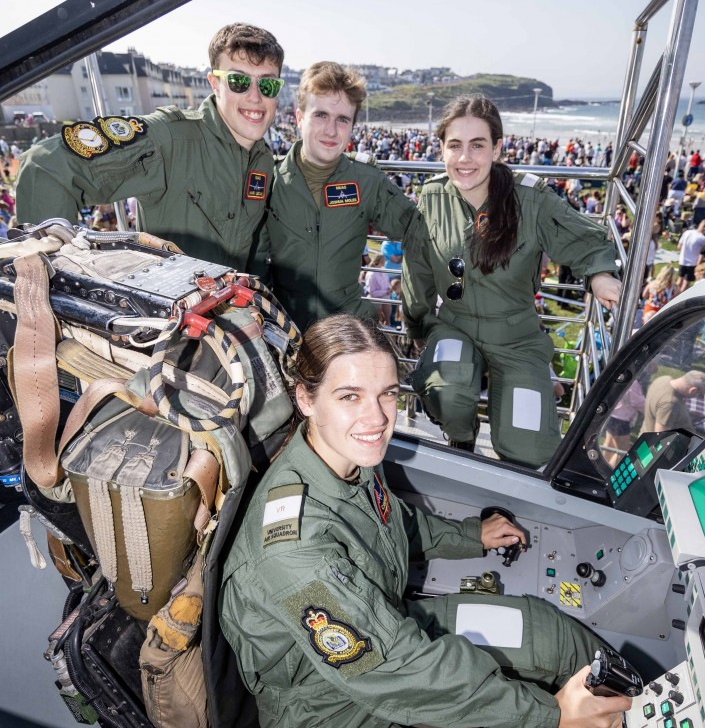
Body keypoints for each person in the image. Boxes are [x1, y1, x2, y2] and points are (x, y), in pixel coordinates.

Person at [220, 316, 646, 728]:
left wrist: (471, 537)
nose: (378, 416)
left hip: (378, 644)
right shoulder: (296, 547)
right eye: (351, 396)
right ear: (306, 398)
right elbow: (402, 666)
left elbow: (396, 524)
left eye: (389, 393)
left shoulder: (348, 461)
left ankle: (640, 723)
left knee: (543, 628)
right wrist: (549, 719)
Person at [402, 97, 620, 466]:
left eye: (477, 145)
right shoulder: (432, 197)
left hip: (517, 337)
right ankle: (461, 437)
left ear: (497, 148)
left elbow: (582, 237)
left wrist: (599, 274)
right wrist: (420, 324)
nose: (465, 158)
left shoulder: (531, 199)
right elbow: (418, 268)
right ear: (441, 149)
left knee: (528, 445)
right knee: (447, 391)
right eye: (454, 145)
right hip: (456, 326)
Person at [16, 23, 285, 270]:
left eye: (268, 84)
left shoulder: (262, 159)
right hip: (170, 318)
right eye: (238, 81)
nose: (255, 97)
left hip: (230, 314)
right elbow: (46, 164)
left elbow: (255, 248)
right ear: (214, 84)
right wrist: (56, 279)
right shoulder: (169, 138)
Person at [261, 62, 419, 331]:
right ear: (300, 118)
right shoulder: (267, 180)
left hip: (348, 330)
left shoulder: (367, 181)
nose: (331, 130)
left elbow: (421, 235)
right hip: (283, 328)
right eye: (321, 115)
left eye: (342, 119)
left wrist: (417, 306)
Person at [641, 370, 705, 434]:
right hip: (648, 446)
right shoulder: (671, 403)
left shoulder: (664, 379)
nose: (699, 398)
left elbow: (659, 411)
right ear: (693, 390)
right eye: (701, 395)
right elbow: (659, 438)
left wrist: (685, 414)